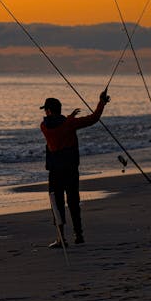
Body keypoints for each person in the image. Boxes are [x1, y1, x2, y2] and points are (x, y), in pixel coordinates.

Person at [39, 88, 110, 248]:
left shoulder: (44, 126)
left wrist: (69, 118)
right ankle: (79, 235)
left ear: (49, 111)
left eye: (46, 110)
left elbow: (59, 127)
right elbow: (94, 118)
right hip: (70, 169)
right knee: (73, 202)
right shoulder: (69, 124)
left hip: (55, 171)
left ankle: (61, 238)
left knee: (56, 204)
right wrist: (101, 102)